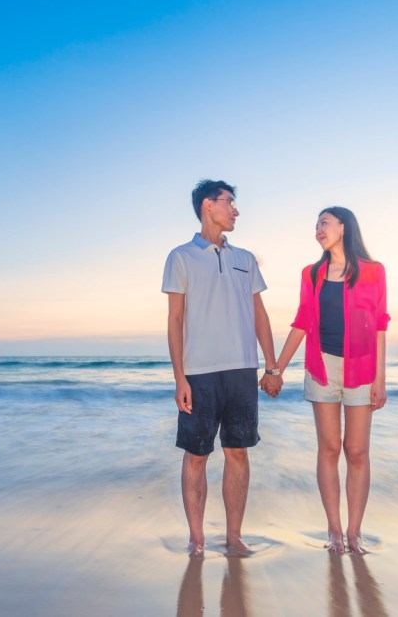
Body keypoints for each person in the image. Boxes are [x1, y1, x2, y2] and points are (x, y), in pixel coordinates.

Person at [162, 179, 281, 557]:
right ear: (207, 205)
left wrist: (272, 366)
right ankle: (196, 539)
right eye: (229, 202)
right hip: (199, 372)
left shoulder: (244, 259)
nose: (235, 210)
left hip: (243, 369)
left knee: (239, 452)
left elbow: (260, 315)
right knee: (197, 453)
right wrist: (179, 377)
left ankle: (234, 536)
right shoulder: (180, 257)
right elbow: (175, 320)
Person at [271, 207, 390, 554]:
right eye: (316, 225)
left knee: (357, 451)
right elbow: (302, 321)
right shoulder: (311, 274)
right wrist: (276, 368)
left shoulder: (373, 271)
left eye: (324, 222)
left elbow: (381, 324)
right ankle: (334, 531)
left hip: (362, 369)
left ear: (343, 226)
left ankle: (355, 532)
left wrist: (380, 379)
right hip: (321, 366)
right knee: (329, 448)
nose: (318, 230)